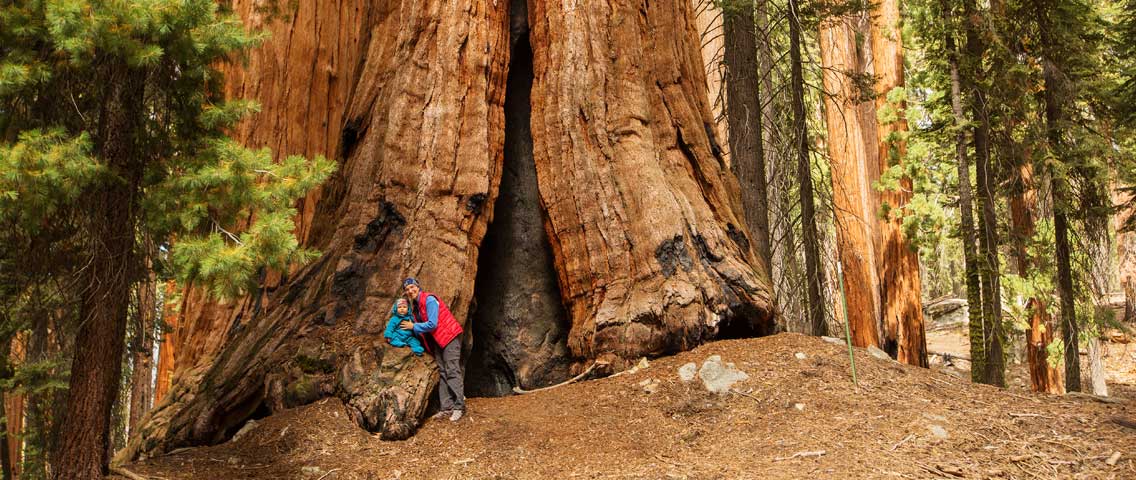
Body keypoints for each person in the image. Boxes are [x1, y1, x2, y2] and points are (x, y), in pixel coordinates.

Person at [399, 277, 466, 421]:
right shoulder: (416, 306)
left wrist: (413, 326)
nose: (411, 291)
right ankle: (446, 407)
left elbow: (432, 324)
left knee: (452, 370)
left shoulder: (428, 300)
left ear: (418, 287)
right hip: (438, 340)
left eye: (412, 287)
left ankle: (459, 407)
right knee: (443, 372)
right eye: (407, 289)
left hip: (450, 336)